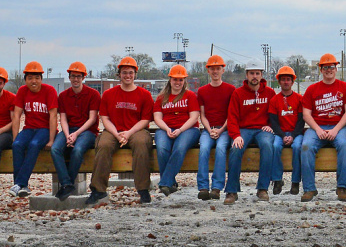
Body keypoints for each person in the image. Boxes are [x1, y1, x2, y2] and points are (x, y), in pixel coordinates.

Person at [87, 56, 154, 205]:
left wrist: (129, 133)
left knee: (141, 144)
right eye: (124, 72)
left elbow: (145, 120)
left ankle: (143, 189)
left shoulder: (145, 95)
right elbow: (105, 118)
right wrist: (117, 135)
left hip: (137, 130)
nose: (127, 76)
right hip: (113, 130)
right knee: (103, 145)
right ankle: (98, 189)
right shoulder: (109, 94)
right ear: (119, 75)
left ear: (135, 74)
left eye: (130, 72)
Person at [300, 53, 346, 202]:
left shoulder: (345, 87)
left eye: (331, 67)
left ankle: (342, 187)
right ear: (321, 70)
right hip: (316, 127)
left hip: (339, 127)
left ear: (336, 69)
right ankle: (309, 188)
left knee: (344, 145)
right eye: (325, 67)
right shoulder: (312, 89)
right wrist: (317, 129)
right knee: (306, 146)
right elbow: (306, 114)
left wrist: (335, 129)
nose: (328, 70)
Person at [225, 62, 277, 203]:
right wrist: (236, 135)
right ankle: (232, 191)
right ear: (247, 75)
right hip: (244, 129)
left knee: (267, 145)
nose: (254, 76)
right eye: (252, 73)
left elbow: (275, 114)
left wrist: (271, 126)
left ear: (261, 75)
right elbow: (232, 117)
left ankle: (262, 188)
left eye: (257, 73)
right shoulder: (238, 93)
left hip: (263, 129)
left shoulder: (270, 93)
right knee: (236, 148)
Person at [51, 62, 100, 201]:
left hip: (87, 131)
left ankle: (68, 183)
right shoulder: (63, 96)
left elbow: (92, 119)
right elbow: (63, 119)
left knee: (77, 150)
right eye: (73, 76)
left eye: (79, 76)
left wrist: (76, 134)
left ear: (83, 77)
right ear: (69, 77)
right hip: (69, 129)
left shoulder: (93, 94)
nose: (76, 79)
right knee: (55, 149)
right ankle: (66, 184)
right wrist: (68, 135)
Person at [10, 62, 58, 198]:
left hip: (44, 129)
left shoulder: (49, 91)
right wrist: (15, 137)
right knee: (17, 145)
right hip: (29, 128)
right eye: (30, 78)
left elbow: (53, 116)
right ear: (25, 80)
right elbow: (17, 115)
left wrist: (51, 140)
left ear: (41, 79)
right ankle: (22, 186)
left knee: (34, 144)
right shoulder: (22, 91)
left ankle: (19, 183)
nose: (34, 81)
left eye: (37, 78)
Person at [153, 64, 201, 197]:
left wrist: (180, 130)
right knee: (162, 148)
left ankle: (165, 183)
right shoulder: (162, 97)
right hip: (166, 128)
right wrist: (167, 129)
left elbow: (194, 117)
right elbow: (157, 117)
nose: (178, 82)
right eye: (175, 79)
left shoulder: (190, 95)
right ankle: (170, 183)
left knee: (179, 148)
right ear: (170, 80)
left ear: (184, 81)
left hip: (188, 129)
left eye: (181, 79)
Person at [195, 54, 235, 200]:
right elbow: (202, 115)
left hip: (224, 129)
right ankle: (203, 187)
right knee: (204, 149)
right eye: (212, 69)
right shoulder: (202, 91)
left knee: (221, 149)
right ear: (208, 71)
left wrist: (221, 130)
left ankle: (217, 188)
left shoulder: (231, 89)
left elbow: (231, 114)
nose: (215, 72)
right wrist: (209, 129)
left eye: (218, 69)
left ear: (223, 70)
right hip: (208, 129)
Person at [266, 66, 305, 195]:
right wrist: (283, 136)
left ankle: (295, 182)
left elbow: (301, 121)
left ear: (293, 82)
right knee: (275, 146)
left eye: (288, 79)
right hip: (280, 133)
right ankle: (277, 180)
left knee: (297, 147)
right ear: (279, 81)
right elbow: (274, 122)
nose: (286, 82)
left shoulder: (299, 98)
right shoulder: (274, 100)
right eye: (283, 79)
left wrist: (293, 135)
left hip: (296, 133)